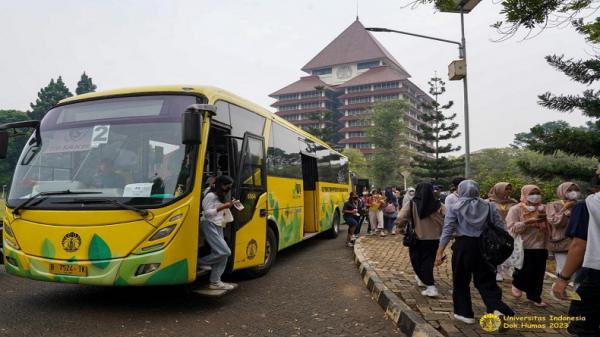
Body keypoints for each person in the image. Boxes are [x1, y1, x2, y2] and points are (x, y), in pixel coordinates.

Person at [435, 180, 515, 324]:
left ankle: (465, 314)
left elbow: (447, 230)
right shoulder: (490, 206)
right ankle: (497, 309)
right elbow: (501, 228)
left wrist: (439, 252)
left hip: (464, 247)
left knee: (461, 280)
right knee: (487, 281)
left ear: (460, 190)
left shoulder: (454, 207)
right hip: (485, 248)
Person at [552, 175, 600, 336]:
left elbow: (579, 245)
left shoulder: (588, 205)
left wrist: (562, 279)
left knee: (584, 326)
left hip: (595, 273)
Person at [396, 182, 445, 297]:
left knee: (416, 261)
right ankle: (426, 281)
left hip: (417, 238)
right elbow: (448, 218)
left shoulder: (412, 204)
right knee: (428, 261)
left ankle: (430, 286)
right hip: (434, 239)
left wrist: (400, 228)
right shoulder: (438, 205)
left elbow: (400, 218)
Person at [506, 185, 549, 307]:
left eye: (537, 192)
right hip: (523, 245)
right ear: (524, 194)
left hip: (541, 245)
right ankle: (517, 283)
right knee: (524, 270)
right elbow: (512, 227)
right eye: (532, 193)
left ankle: (535, 296)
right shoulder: (516, 209)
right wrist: (527, 222)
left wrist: (546, 220)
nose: (535, 195)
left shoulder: (544, 208)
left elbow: (553, 226)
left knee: (538, 273)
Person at [198, 175, 237, 290]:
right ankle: (200, 262)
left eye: (230, 187)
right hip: (208, 224)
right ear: (220, 184)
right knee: (225, 251)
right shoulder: (210, 195)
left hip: (218, 224)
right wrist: (224, 206)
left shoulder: (220, 196)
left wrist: (230, 205)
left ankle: (215, 281)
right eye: (226, 186)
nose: (228, 189)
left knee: (222, 255)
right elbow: (206, 213)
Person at [546, 182, 580, 274]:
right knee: (563, 269)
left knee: (578, 270)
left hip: (579, 242)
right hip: (561, 242)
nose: (573, 192)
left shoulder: (581, 205)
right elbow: (554, 222)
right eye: (569, 190)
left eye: (576, 190)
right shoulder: (553, 205)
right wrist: (565, 208)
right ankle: (557, 288)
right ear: (562, 191)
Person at [487, 182, 518, 281]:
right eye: (506, 189)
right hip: (495, 230)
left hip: (510, 230)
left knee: (508, 249)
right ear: (498, 189)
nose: (508, 191)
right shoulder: (488, 202)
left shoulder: (513, 202)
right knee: (496, 250)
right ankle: (496, 270)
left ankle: (506, 269)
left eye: (509, 189)